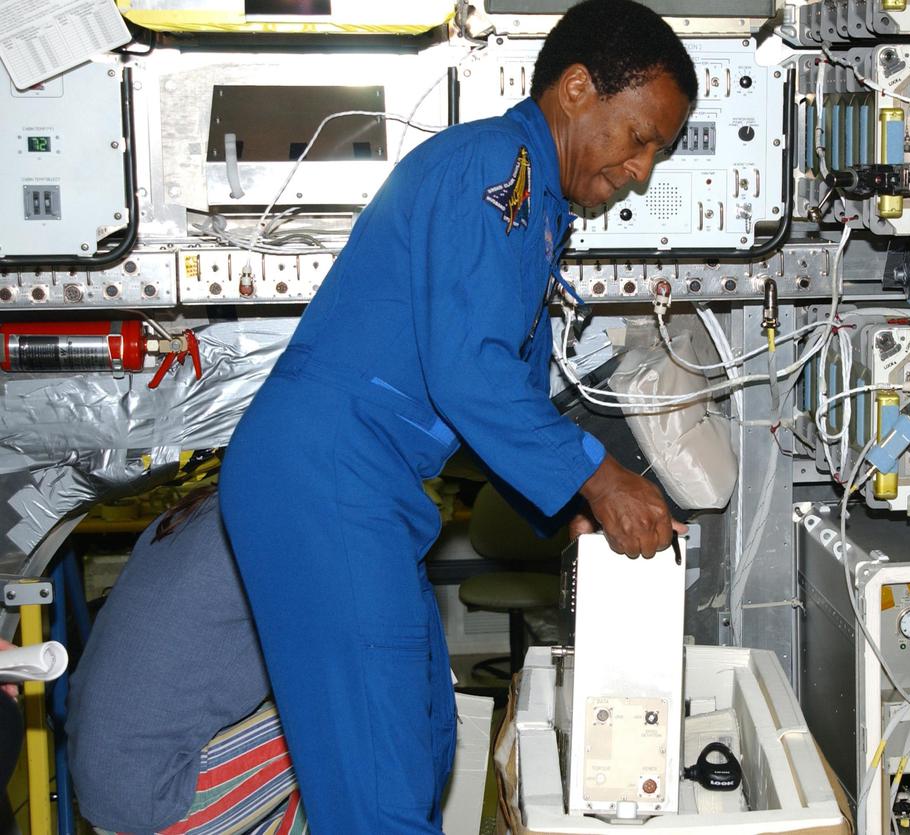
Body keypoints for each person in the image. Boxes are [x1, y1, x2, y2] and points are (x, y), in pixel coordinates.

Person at [217, 1, 697, 832]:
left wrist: (579, 505)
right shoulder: (497, 169)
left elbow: (492, 391)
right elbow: (469, 372)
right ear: (578, 89)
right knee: (382, 787)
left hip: (362, 485)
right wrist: (602, 476)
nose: (642, 170)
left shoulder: (535, 205)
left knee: (425, 738)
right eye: (640, 136)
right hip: (329, 476)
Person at [67, 488, 308, 834]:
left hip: (102, 792)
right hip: (160, 803)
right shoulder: (276, 530)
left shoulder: (194, 511)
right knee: (347, 718)